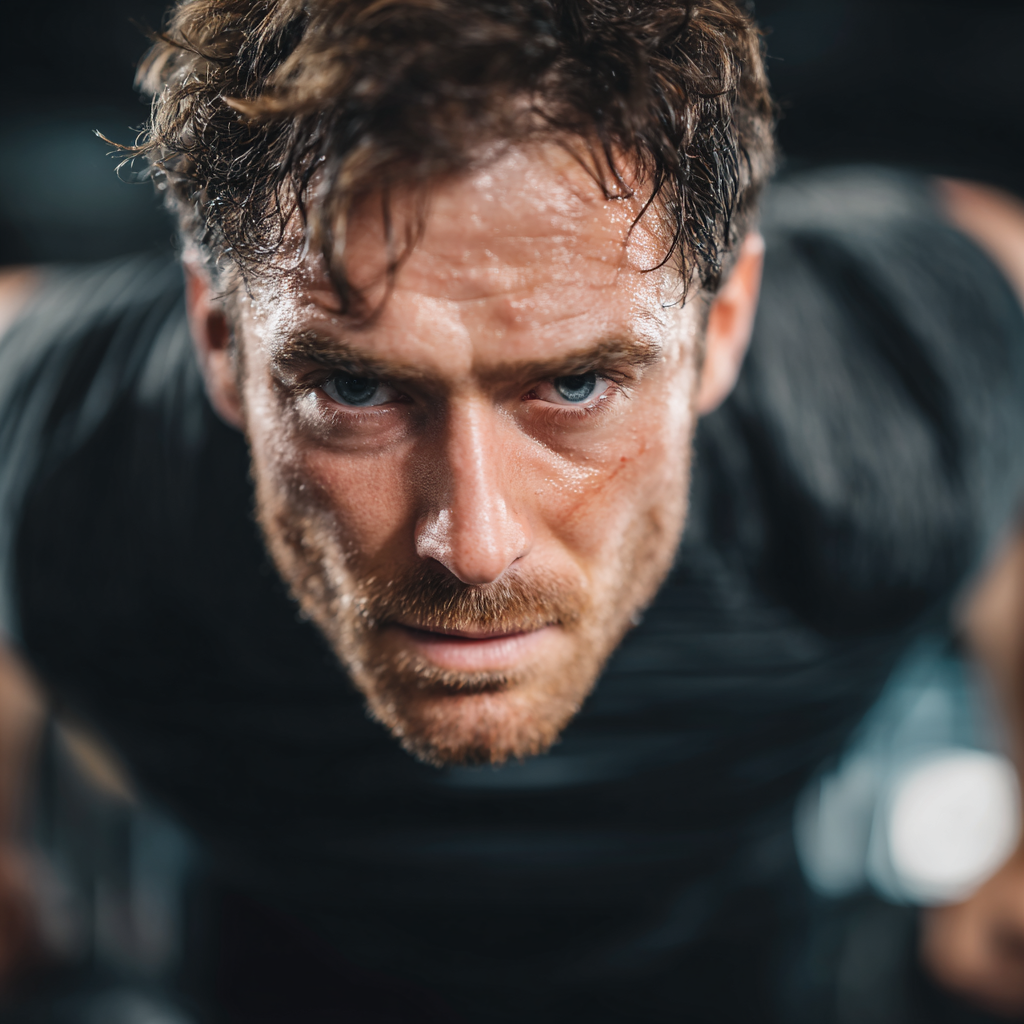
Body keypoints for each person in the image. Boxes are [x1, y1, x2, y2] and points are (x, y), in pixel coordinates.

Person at [1, 1, 1024, 1020]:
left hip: (734, 942)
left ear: (723, 327)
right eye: (357, 389)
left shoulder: (879, 410)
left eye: (575, 384)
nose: (474, 546)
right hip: (262, 944)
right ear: (219, 341)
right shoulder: (81, 458)